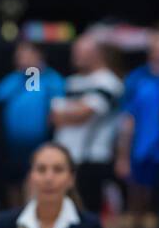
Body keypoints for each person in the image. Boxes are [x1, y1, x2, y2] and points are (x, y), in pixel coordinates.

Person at [0, 38, 66, 206]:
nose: (19, 57)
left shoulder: (51, 80)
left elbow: (59, 110)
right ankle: (17, 221)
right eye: (18, 54)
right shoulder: (13, 80)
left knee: (34, 181)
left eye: (24, 53)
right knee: (13, 183)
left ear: (39, 55)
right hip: (12, 148)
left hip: (41, 145)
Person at [50, 33, 124, 214]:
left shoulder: (109, 82)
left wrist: (70, 112)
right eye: (75, 51)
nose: (75, 56)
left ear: (97, 54)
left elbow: (83, 114)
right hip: (65, 157)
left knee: (90, 213)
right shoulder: (71, 82)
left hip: (92, 159)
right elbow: (53, 117)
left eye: (81, 52)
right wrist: (76, 110)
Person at [114, 23, 159, 224]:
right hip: (141, 150)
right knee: (138, 200)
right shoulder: (136, 79)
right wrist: (123, 156)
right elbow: (127, 120)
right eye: (157, 47)